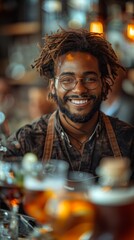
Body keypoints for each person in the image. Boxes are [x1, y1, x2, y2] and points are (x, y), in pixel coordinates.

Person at [3, 28, 134, 182]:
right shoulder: (27, 141)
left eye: (90, 79)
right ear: (52, 87)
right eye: (67, 80)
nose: (79, 89)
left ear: (103, 85)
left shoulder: (128, 139)